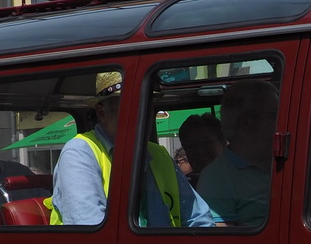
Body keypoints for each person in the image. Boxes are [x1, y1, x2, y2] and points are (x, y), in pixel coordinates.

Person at [50, 80, 215, 228]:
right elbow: (91, 230)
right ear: (102, 113)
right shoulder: (79, 152)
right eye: (131, 108)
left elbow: (198, 218)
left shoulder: (159, 154)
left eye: (147, 107)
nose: (142, 116)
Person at [194, 79, 279, 227]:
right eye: (274, 115)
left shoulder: (285, 161)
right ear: (248, 121)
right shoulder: (217, 177)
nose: (282, 122)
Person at [177, 112, 225, 180]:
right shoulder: (184, 186)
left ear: (223, 142)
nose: (200, 151)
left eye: (206, 142)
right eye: (191, 146)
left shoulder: (241, 178)